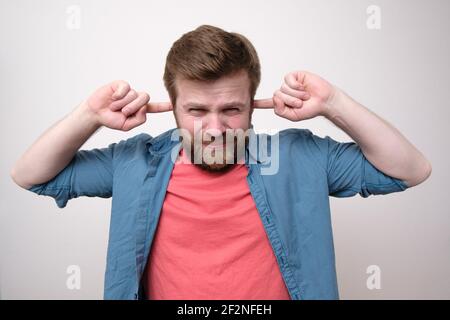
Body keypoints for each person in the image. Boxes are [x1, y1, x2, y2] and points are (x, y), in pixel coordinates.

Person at [10, 25, 431, 300]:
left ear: (254, 105)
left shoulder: (298, 156)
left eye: (231, 108)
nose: (216, 128)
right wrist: (89, 114)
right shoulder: (135, 162)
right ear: (171, 107)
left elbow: (410, 169)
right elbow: (30, 175)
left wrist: (334, 104)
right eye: (196, 111)